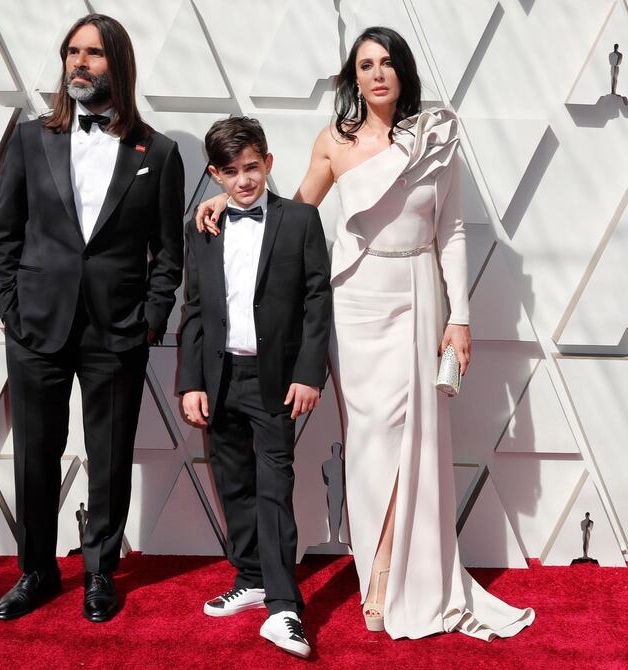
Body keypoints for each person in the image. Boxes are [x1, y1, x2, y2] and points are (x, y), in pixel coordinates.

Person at [196, 27, 534, 641]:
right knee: (372, 444)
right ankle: (376, 576)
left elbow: (451, 232)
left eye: (386, 63)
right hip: (354, 304)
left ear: (402, 71)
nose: (376, 74)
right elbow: (290, 214)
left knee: (420, 443)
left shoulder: (436, 137)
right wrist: (232, 204)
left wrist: (461, 315)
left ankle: (402, 580)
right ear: (353, 77)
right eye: (364, 65)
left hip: (418, 297)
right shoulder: (333, 142)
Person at [0, 13, 184, 623]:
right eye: (72, 51)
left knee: (109, 454)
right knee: (35, 454)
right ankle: (37, 570)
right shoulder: (27, 139)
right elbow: (3, 234)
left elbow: (168, 254)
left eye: (93, 53)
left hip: (116, 328)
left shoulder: (162, 152)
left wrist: (149, 319)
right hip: (37, 325)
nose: (79, 62)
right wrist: (12, 310)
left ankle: (100, 572)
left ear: (117, 64)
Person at [179, 117, 331, 658]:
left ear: (268, 163)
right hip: (219, 379)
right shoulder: (201, 226)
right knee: (233, 484)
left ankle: (285, 607)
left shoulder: (301, 221)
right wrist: (190, 381)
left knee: (274, 490)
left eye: (252, 168)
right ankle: (251, 578)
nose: (244, 181)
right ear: (215, 175)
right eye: (231, 172)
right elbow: (194, 308)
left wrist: (309, 373)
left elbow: (317, 302)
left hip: (274, 383)